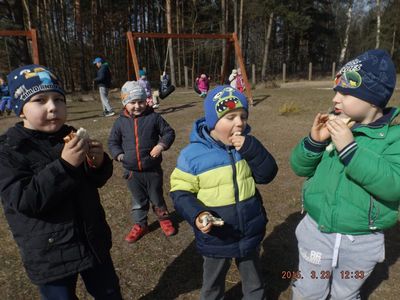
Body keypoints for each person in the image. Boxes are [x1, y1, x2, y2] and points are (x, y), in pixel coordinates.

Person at [0, 64, 122, 299]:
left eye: (58, 99)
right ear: (21, 110)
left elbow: (93, 180)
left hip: (90, 239)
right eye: (40, 100)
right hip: (49, 252)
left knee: (109, 293)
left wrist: (97, 164)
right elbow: (26, 200)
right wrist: (65, 166)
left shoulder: (71, 134)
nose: (53, 107)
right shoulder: (10, 151)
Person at [289, 49, 400, 300]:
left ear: (372, 99)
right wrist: (314, 142)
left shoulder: (394, 138)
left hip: (361, 243)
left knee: (346, 294)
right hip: (316, 232)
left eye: (346, 93)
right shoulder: (337, 125)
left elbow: (394, 186)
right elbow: (299, 168)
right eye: (336, 91)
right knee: (308, 290)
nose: (336, 99)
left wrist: (351, 150)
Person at [170, 85, 278, 299]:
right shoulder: (192, 155)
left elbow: (267, 174)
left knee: (254, 282)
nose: (239, 123)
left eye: (242, 116)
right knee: (212, 284)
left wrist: (251, 149)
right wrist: (198, 214)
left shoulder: (247, 146)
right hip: (216, 236)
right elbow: (180, 192)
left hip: (249, 231)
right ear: (212, 122)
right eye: (230, 117)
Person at [108, 81, 176, 243]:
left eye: (141, 102)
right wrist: (119, 155)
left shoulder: (154, 117)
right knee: (138, 200)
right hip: (132, 172)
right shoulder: (120, 122)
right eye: (132, 102)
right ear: (125, 103)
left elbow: (169, 133)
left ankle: (164, 220)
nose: (137, 106)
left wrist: (161, 145)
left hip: (152, 170)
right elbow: (112, 142)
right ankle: (140, 224)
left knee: (157, 197)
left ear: (146, 101)